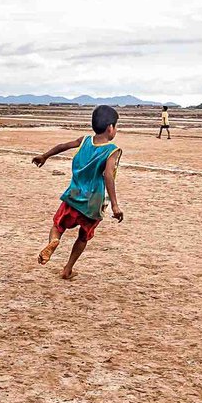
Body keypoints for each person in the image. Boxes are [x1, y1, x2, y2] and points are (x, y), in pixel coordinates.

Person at [32, 105, 124, 280]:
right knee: (83, 237)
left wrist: (45, 156)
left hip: (73, 195)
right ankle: (67, 269)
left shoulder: (84, 140)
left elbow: (63, 146)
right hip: (94, 202)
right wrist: (115, 205)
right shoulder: (112, 150)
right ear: (110, 127)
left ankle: (54, 241)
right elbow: (108, 176)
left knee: (57, 226)